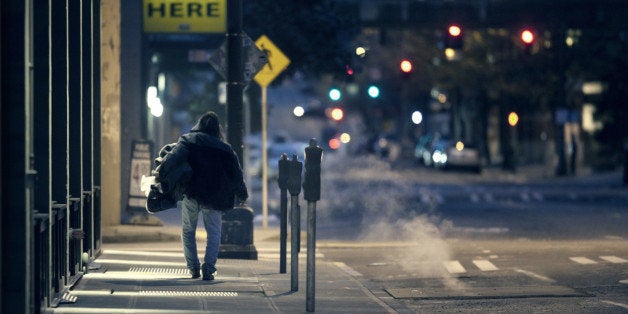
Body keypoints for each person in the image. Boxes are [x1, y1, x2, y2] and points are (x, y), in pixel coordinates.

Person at [162, 111, 248, 280]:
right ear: (217, 129)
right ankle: (208, 268)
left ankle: (193, 267)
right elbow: (236, 174)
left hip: (191, 193)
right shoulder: (225, 149)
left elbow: (172, 160)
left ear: (199, 125)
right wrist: (242, 193)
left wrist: (162, 176)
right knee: (214, 233)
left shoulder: (188, 141)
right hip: (214, 196)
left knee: (188, 231)